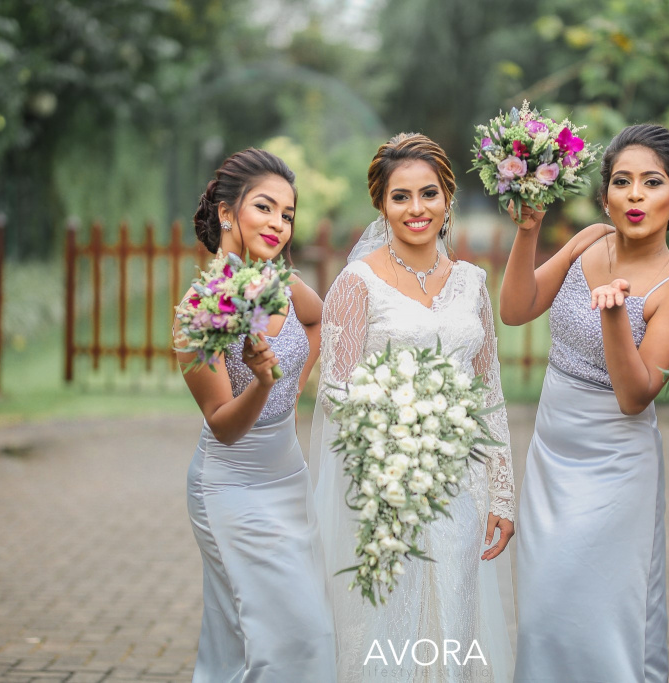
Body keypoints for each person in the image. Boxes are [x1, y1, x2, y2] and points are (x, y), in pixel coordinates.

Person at [501, 124, 669, 682]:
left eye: (652, 182)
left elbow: (635, 396)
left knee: (596, 615)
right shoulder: (590, 240)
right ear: (605, 194)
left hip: (614, 467)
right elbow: (516, 310)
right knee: (542, 613)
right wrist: (528, 231)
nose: (635, 195)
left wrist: (615, 315)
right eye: (622, 181)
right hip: (551, 453)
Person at [310, 132, 516, 682]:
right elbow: (334, 389)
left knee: (454, 623)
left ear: (448, 197)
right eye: (400, 196)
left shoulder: (472, 284)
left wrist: (501, 491)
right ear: (381, 204)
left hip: (461, 487)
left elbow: (489, 392)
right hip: (385, 484)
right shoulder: (357, 284)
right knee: (386, 630)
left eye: (428, 193)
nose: (416, 208)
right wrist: (397, 433)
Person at [175, 147, 335, 682]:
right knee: (293, 636)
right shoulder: (199, 310)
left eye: (287, 214)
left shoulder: (283, 285)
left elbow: (318, 320)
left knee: (260, 640)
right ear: (227, 212)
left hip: (289, 479)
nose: (278, 224)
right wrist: (265, 382)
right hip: (232, 489)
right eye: (264, 207)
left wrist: (292, 384)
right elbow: (222, 424)